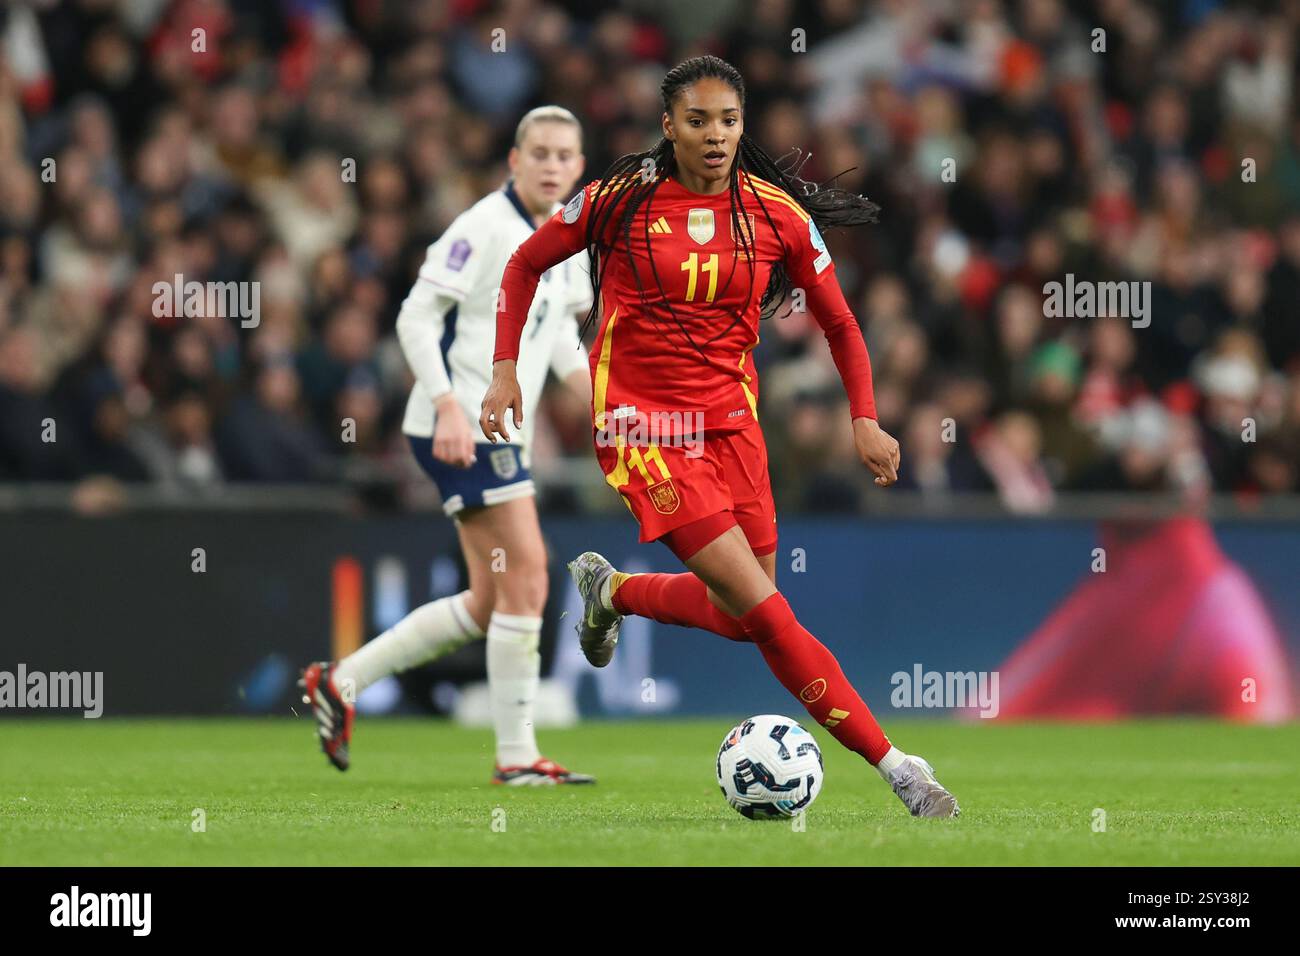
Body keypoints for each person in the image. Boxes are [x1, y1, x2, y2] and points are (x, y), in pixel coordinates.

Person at [480, 57, 959, 817]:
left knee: (743, 618)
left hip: (734, 429)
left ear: (744, 126)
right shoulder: (619, 201)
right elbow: (523, 264)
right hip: (644, 429)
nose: (714, 135)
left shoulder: (775, 215)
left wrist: (863, 415)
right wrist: (505, 368)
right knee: (771, 616)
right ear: (668, 125)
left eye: (728, 121)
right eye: (698, 120)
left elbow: (838, 319)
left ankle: (612, 591)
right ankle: (901, 768)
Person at [302, 107, 597, 785]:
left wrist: (601, 400)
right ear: (513, 162)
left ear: (579, 168)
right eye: (539, 153)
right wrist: (444, 406)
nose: (551, 165)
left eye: (564, 155)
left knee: (490, 602)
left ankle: (341, 681)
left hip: (501, 433)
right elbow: (414, 315)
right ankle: (518, 758)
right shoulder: (483, 228)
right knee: (529, 573)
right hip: (460, 422)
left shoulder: (567, 242)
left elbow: (555, 336)